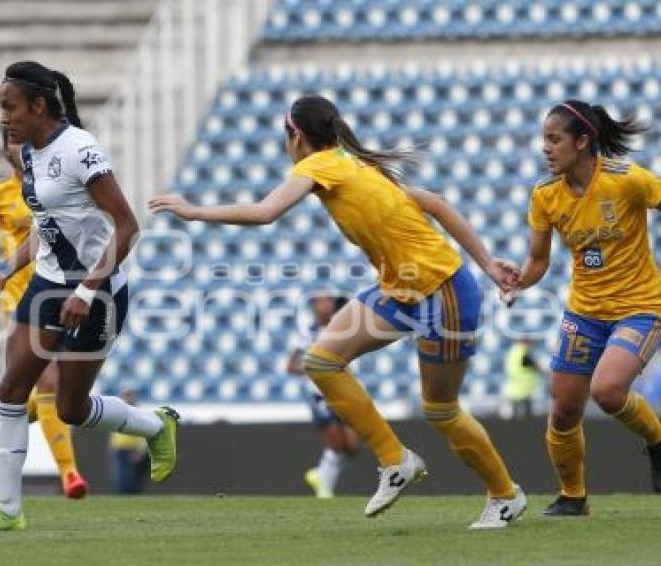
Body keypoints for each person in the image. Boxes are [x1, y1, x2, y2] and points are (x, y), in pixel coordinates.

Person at [150, 94, 526, 528]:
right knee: (322, 361)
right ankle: (395, 460)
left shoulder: (319, 165)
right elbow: (436, 202)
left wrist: (195, 212)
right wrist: (489, 263)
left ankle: (504, 496)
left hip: (445, 292)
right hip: (401, 288)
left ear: (296, 136)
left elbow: (266, 211)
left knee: (440, 409)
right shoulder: (353, 163)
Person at [0, 61, 179, 532]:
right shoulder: (28, 154)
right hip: (46, 285)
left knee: (70, 408)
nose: (4, 117)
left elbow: (127, 228)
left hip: (98, 291)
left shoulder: (80, 152)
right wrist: (5, 270)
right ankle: (7, 511)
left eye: (10, 107)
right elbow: (46, 230)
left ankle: (155, 425)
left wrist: (87, 290)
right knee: (11, 388)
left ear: (39, 105)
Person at [507, 99, 661, 516]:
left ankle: (657, 439)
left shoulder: (627, 180)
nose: (546, 148)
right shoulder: (545, 196)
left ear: (582, 141)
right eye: (544, 140)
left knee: (608, 391)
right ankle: (573, 497)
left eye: (554, 139)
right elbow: (538, 260)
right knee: (563, 410)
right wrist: (519, 281)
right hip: (584, 313)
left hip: (640, 306)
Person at [0, 128, 89, 499]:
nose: (21, 148)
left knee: (57, 388)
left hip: (62, 289)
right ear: (5, 149)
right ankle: (70, 475)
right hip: (20, 296)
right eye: (14, 142)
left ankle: (22, 411)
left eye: (26, 142)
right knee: (49, 380)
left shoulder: (52, 185)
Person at [288, 292, 358, 498]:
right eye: (322, 300)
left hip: (341, 391)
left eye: (330, 300)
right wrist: (316, 369)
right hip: (318, 393)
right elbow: (292, 366)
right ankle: (325, 489)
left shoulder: (342, 331)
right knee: (336, 444)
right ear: (314, 306)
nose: (327, 304)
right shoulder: (307, 334)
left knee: (352, 446)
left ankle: (319, 475)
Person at [108, 389, 150, 494]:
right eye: (125, 396)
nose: (127, 399)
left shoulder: (140, 414)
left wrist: (140, 451)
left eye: (129, 396)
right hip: (119, 450)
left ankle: (132, 499)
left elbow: (145, 435)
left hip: (133, 451)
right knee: (121, 480)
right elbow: (113, 434)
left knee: (133, 481)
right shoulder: (118, 413)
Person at [504, 338, 544, 419]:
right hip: (525, 390)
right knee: (526, 417)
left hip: (514, 390)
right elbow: (536, 366)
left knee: (515, 417)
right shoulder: (524, 354)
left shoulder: (514, 352)